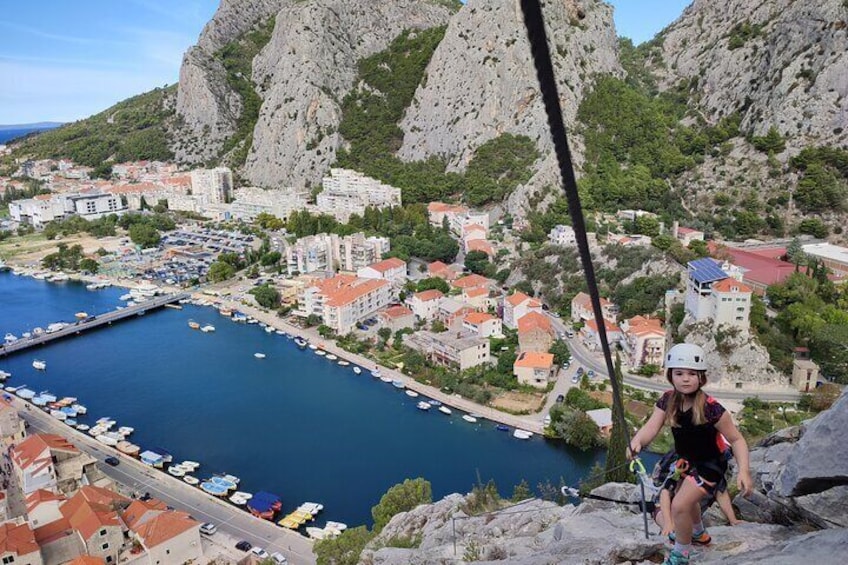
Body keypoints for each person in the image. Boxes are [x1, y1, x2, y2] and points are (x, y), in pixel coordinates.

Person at [629, 343, 752, 565]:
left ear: (701, 378)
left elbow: (736, 439)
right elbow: (651, 427)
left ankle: (681, 554)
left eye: (691, 374)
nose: (685, 379)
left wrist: (744, 470)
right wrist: (637, 441)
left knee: (679, 506)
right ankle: (698, 534)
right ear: (670, 376)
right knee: (687, 500)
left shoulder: (711, 408)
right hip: (686, 461)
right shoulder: (667, 400)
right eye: (679, 373)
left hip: (710, 464)